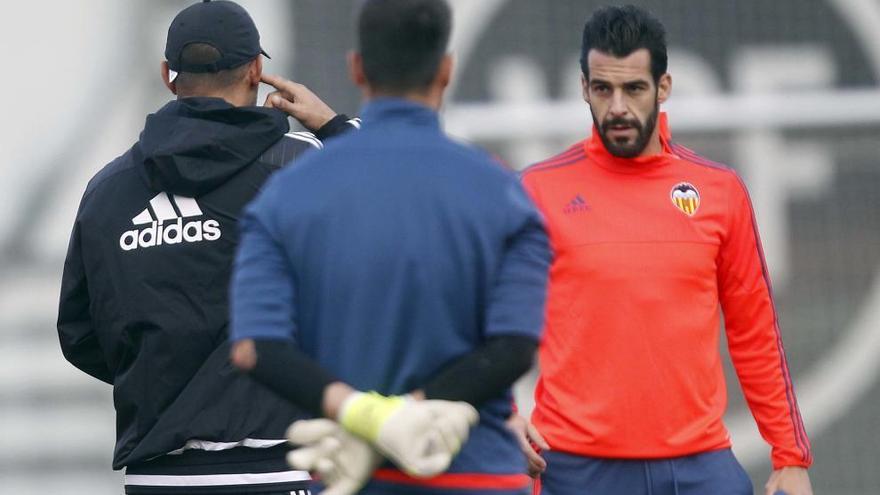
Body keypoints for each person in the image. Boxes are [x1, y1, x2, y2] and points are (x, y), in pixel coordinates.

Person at [227, 0, 552, 494]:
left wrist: (367, 419)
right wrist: (407, 417)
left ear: (357, 67)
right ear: (445, 69)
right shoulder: (504, 194)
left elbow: (256, 348)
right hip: (477, 474)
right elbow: (512, 348)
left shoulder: (287, 195)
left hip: (354, 480)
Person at [56, 1, 358, 493]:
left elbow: (80, 332)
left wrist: (163, 379)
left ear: (167, 75)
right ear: (258, 71)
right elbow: (402, 207)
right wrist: (335, 127)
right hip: (286, 468)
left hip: (159, 478)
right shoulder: (307, 165)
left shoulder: (106, 190)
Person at [512, 5, 814, 495]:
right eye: (603, 89)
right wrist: (501, 412)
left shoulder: (719, 190)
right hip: (575, 469)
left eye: (634, 89)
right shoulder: (535, 191)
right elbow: (487, 315)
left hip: (700, 467)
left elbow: (755, 330)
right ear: (584, 87)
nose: (618, 107)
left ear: (664, 87)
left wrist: (790, 456)